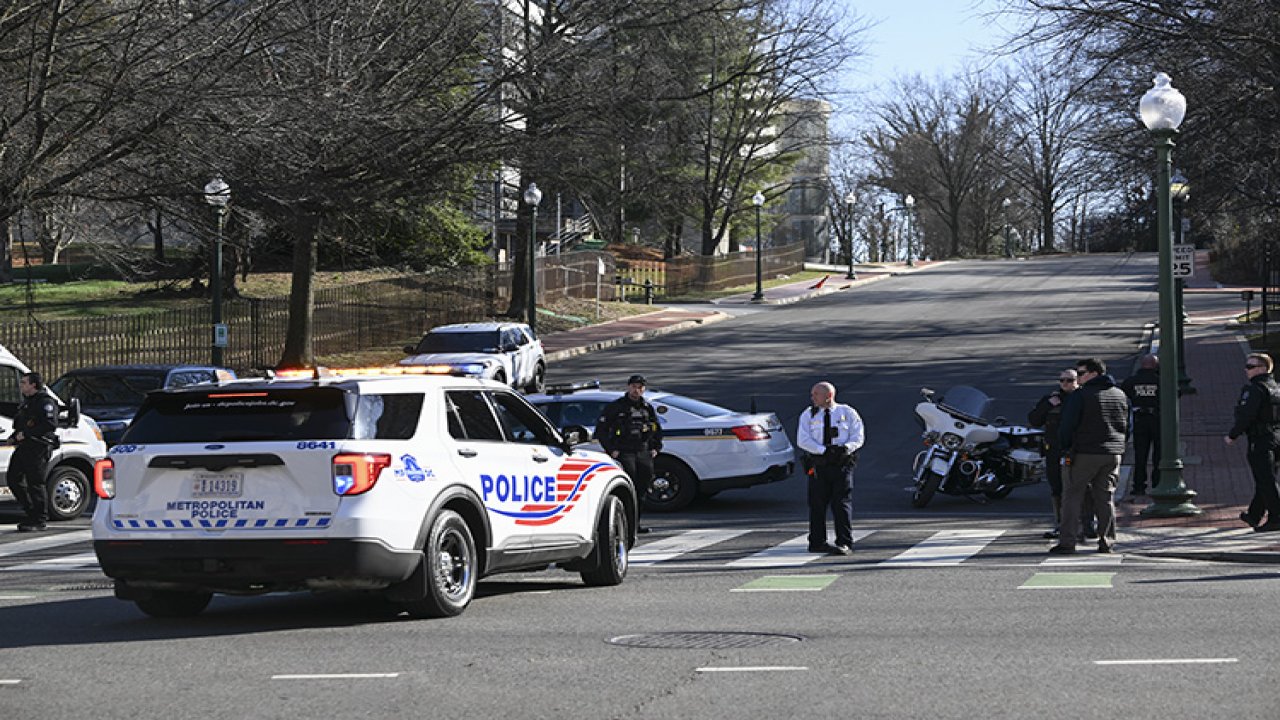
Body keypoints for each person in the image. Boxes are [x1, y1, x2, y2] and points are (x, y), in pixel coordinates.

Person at [1051, 358, 1129, 555]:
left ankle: (1067, 541)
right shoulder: (1119, 395)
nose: (1079, 376)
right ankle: (1107, 541)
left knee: (1072, 496)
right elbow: (1127, 425)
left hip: (1084, 453)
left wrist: (1065, 446)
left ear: (1094, 373)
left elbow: (1067, 425)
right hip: (1113, 452)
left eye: (1082, 372)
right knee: (1105, 498)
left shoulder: (1081, 395)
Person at [796, 381, 865, 556]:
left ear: (829, 396)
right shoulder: (808, 415)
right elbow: (802, 440)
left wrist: (845, 448)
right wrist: (823, 451)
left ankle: (844, 542)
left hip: (841, 464)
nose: (812, 397)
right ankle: (817, 542)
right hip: (819, 465)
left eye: (816, 394)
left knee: (841, 504)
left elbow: (858, 436)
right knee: (817, 504)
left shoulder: (847, 412)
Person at [595, 374, 663, 534]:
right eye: (634, 386)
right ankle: (624, 526)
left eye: (640, 387)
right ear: (628, 387)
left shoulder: (647, 407)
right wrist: (612, 449)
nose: (636, 390)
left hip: (643, 451)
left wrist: (656, 448)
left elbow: (656, 428)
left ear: (643, 389)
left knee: (642, 489)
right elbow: (601, 431)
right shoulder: (616, 407)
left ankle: (635, 525)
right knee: (627, 488)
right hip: (624, 452)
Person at [1224, 353, 1280, 532]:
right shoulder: (1276, 388)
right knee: (1265, 478)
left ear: (1263, 369)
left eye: (1250, 366)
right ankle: (1254, 514)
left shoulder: (1255, 389)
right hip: (1276, 437)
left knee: (1266, 480)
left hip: (1261, 439)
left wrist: (1233, 435)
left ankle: (1276, 518)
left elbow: (1247, 415)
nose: (1246, 370)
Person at [1027, 368, 1078, 539]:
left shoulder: (1082, 398)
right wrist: (1048, 405)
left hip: (1076, 450)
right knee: (1057, 487)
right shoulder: (1051, 399)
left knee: (1079, 488)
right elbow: (1034, 420)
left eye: (1069, 380)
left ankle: (1084, 524)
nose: (1065, 384)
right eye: (1062, 380)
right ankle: (1061, 524)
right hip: (1053, 451)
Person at [7, 372, 60, 532]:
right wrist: (14, 436)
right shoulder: (27, 402)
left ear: (33, 385)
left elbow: (49, 425)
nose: (21, 385)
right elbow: (23, 424)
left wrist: (27, 434)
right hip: (24, 447)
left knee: (35, 483)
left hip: (38, 447)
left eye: (24, 382)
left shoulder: (45, 402)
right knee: (13, 478)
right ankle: (31, 511)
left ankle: (39, 519)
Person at [1120, 354, 1161, 498]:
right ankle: (1157, 483)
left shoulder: (1132, 381)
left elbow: (1123, 394)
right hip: (1158, 420)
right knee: (1159, 454)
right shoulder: (1161, 380)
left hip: (1139, 420)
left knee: (1140, 454)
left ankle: (1138, 486)